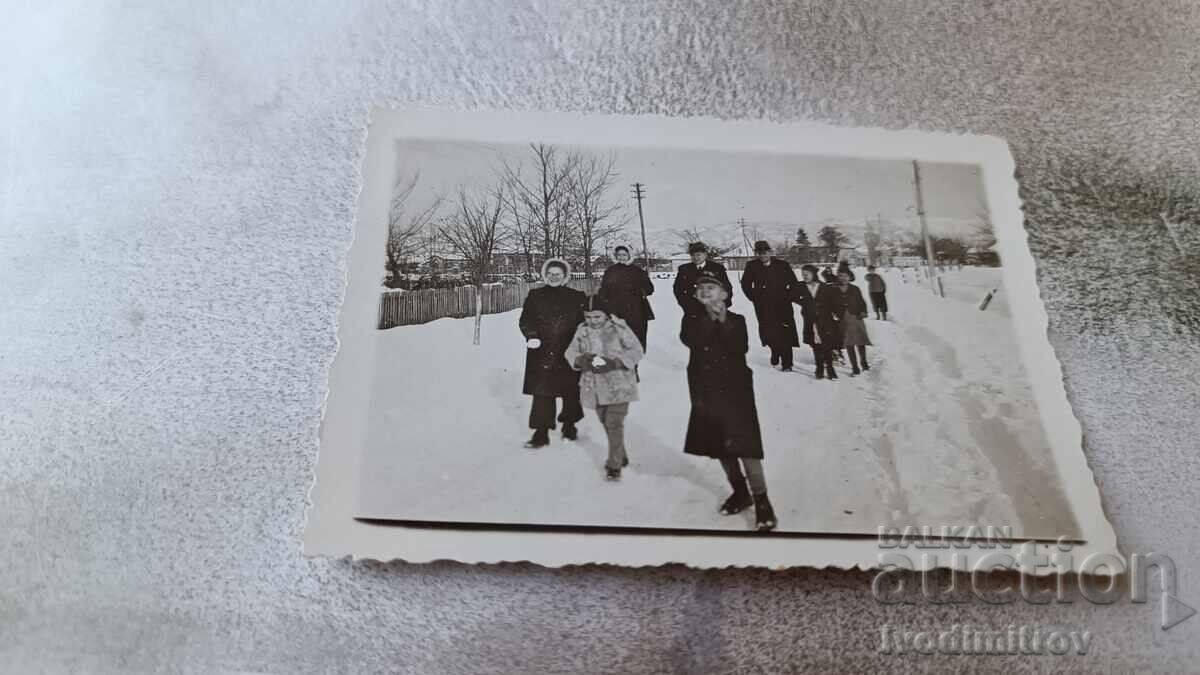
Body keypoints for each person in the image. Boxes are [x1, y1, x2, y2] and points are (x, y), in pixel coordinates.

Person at [680, 271, 776, 531]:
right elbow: (692, 340)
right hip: (705, 392)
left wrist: (721, 318)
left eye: (711, 287)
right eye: (700, 288)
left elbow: (739, 347)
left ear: (724, 293)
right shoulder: (691, 320)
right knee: (719, 445)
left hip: (736, 392)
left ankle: (762, 500)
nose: (705, 291)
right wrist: (709, 318)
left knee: (745, 445)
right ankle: (740, 492)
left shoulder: (738, 320)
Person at [565, 296, 645, 480]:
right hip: (594, 387)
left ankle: (614, 465)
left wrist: (616, 363)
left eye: (597, 317)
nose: (592, 321)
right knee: (604, 420)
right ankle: (621, 454)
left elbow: (636, 351)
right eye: (589, 317)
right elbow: (570, 351)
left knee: (614, 422)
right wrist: (580, 360)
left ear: (607, 316)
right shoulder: (582, 331)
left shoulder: (619, 329)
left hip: (619, 384)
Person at [519, 258, 588, 448]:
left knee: (570, 390)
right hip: (542, 350)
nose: (554, 277)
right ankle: (541, 433)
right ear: (545, 276)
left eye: (558, 274)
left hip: (569, 350)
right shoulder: (535, 295)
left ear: (565, 276)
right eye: (550, 274)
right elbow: (526, 320)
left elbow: (586, 323)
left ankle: (569, 425)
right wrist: (531, 336)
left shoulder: (577, 296)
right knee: (542, 392)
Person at [739, 240, 800, 371]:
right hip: (763, 306)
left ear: (770, 252)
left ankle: (787, 364)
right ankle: (775, 350)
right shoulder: (751, 266)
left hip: (782, 306)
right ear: (757, 254)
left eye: (765, 252)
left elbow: (794, 284)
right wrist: (754, 298)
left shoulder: (782, 265)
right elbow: (745, 284)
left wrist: (788, 297)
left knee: (785, 333)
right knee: (769, 333)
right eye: (760, 253)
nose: (763, 255)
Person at [597, 244, 655, 349]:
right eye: (619, 255)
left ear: (629, 256)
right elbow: (603, 291)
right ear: (615, 256)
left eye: (624, 255)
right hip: (615, 311)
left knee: (635, 339)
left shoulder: (638, 271)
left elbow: (650, 289)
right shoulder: (610, 272)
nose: (621, 257)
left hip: (636, 311)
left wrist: (639, 290)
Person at [795, 264, 843, 380]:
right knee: (815, 345)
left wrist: (836, 313)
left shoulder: (824, 287)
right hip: (810, 320)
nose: (804, 276)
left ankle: (830, 369)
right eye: (803, 274)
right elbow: (792, 296)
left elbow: (833, 302)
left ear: (814, 274)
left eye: (807, 274)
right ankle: (819, 368)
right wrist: (805, 304)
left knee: (826, 345)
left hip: (824, 320)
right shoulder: (801, 286)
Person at [673, 242, 733, 320]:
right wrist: (686, 305)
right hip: (692, 310)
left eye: (698, 255)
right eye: (693, 255)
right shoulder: (684, 269)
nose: (695, 257)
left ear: (705, 255)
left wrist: (722, 304)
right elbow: (678, 289)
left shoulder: (717, 268)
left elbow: (726, 288)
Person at [835, 268, 872, 376]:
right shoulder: (834, 289)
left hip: (856, 318)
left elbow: (861, 302)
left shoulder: (855, 289)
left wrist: (863, 311)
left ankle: (864, 362)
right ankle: (855, 367)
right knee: (849, 343)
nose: (843, 278)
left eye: (846, 276)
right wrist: (834, 313)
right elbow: (831, 303)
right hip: (843, 319)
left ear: (850, 277)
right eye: (841, 276)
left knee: (860, 341)